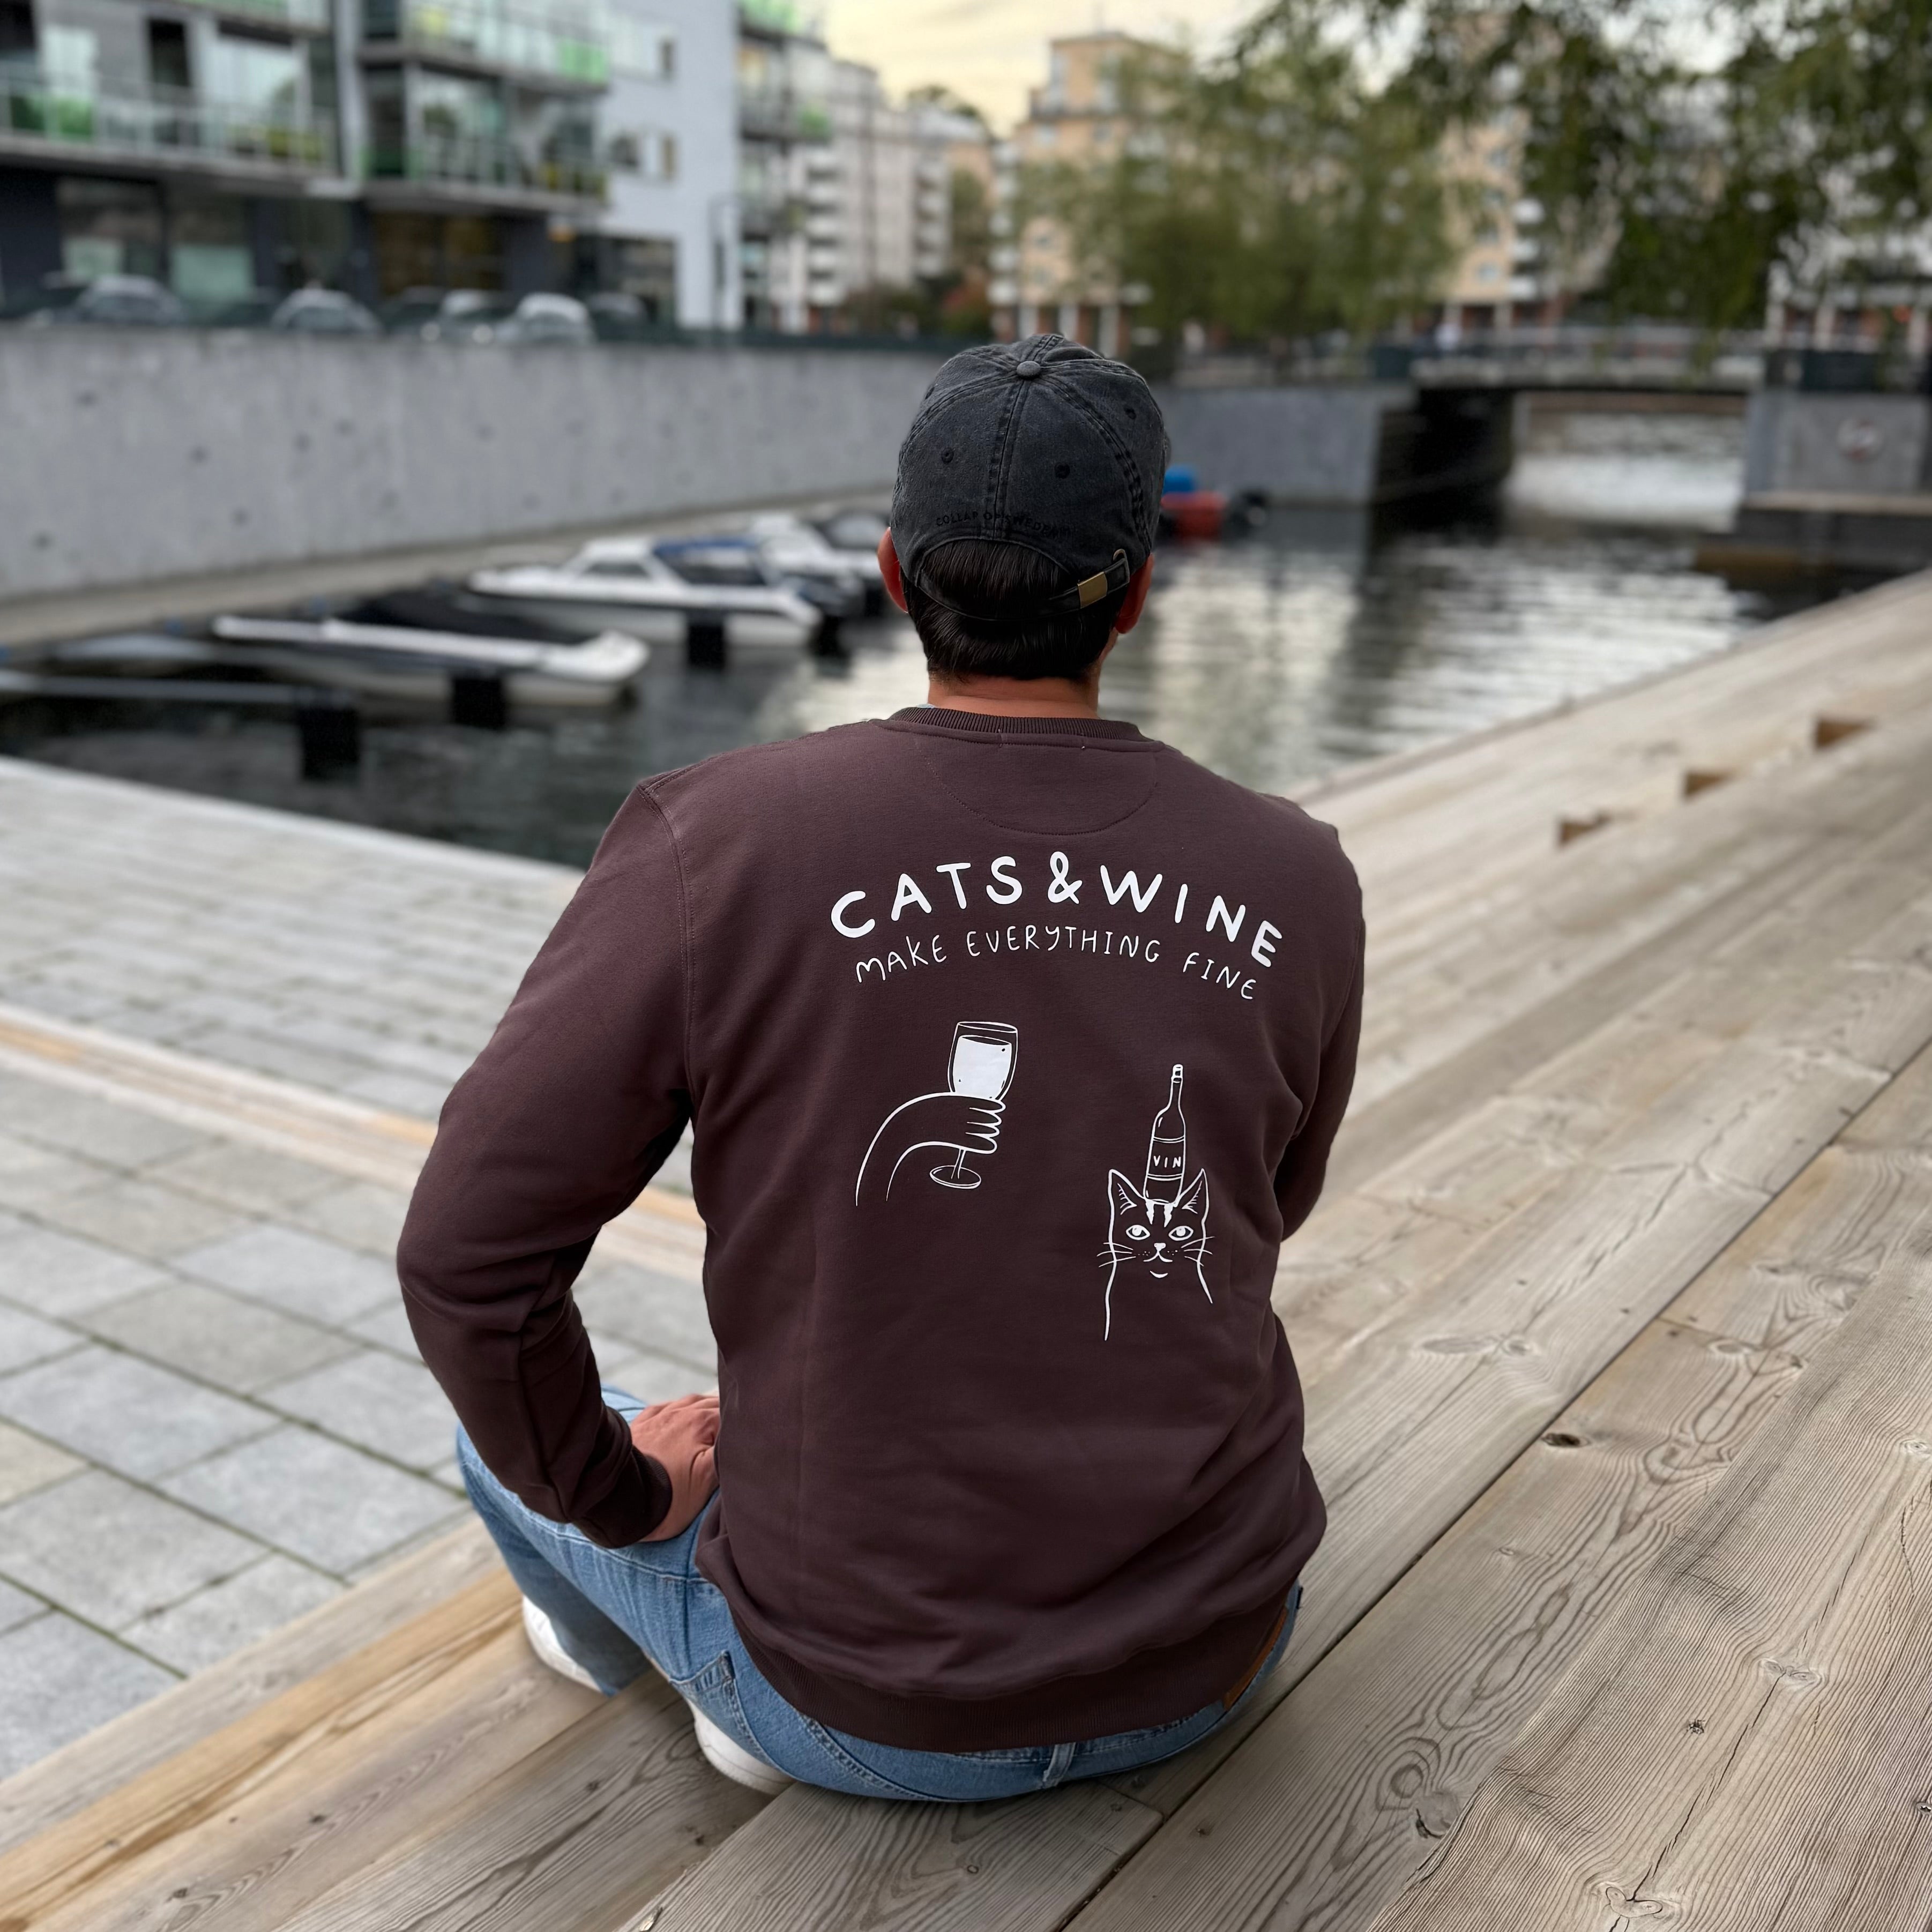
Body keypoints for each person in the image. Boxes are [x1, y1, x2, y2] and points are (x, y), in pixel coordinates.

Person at [398, 333, 1364, 1801]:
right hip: (1214, 1660)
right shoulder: (1295, 875)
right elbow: (1264, 1209)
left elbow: (468, 1265)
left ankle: (656, 1651)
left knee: (508, 1441)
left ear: (897, 573)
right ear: (1138, 592)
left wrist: (632, 1489)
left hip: (856, 1700)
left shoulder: (714, 841)